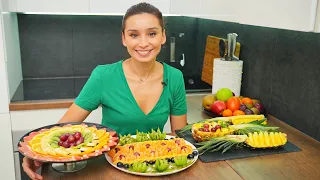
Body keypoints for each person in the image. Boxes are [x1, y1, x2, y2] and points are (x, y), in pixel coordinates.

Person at [22, 2, 187, 180]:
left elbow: (181, 139)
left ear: (163, 36)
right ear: (124, 38)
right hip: (110, 170)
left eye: (152, 33)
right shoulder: (103, 76)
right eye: (134, 35)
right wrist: (37, 154)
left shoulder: (175, 77)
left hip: (155, 169)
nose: (143, 43)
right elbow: (65, 128)